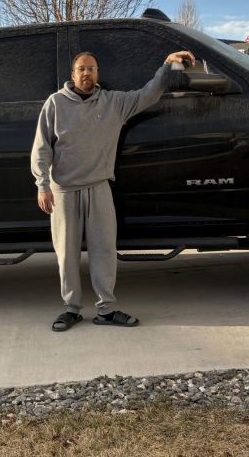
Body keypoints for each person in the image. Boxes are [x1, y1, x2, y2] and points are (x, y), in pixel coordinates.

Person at [30, 49, 196, 332]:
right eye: (81, 69)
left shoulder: (113, 103)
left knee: (105, 250)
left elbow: (148, 94)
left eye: (92, 68)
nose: (86, 73)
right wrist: (42, 185)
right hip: (64, 191)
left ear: (98, 74)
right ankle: (71, 309)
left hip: (99, 187)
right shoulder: (55, 103)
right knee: (66, 254)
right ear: (72, 75)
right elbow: (42, 148)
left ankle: (105, 309)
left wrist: (167, 65)